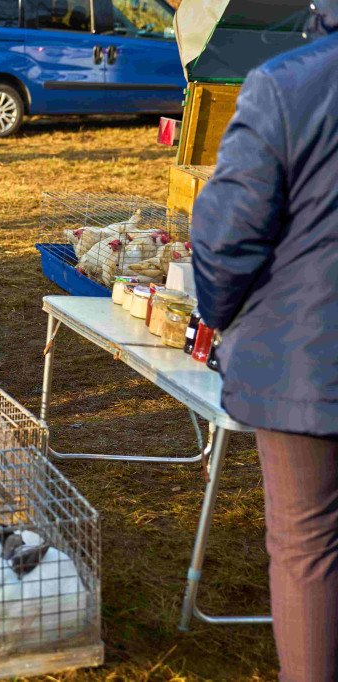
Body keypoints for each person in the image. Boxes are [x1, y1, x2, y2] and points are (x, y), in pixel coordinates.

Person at [190, 3, 338, 679]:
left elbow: (226, 236)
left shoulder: (289, 82)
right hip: (311, 353)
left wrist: (217, 315)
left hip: (310, 360)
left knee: (307, 546)